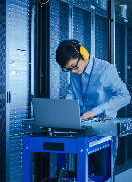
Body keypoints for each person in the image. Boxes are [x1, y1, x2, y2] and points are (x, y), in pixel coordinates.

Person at [55, 39, 131, 176]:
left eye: (74, 66)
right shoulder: (74, 72)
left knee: (103, 174)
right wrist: (64, 111)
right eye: (68, 69)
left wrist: (95, 111)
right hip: (82, 130)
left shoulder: (106, 70)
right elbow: (71, 93)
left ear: (83, 55)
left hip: (104, 131)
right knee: (82, 174)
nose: (73, 71)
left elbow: (125, 96)